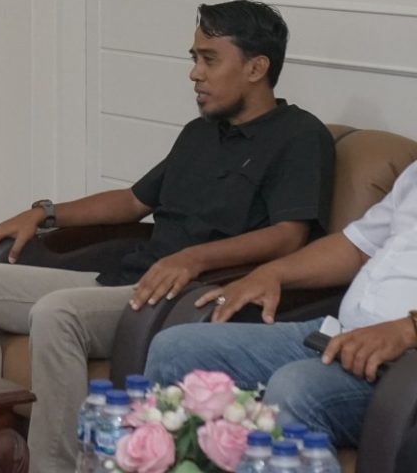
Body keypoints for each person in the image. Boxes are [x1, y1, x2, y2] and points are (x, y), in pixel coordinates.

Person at [0, 0, 335, 473]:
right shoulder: (200, 132)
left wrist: (195, 259)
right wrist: (44, 213)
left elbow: (289, 236)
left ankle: (60, 467)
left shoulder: (299, 137)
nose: (195, 73)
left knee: (57, 314)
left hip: (182, 295)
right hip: (128, 278)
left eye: (209, 59)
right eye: (194, 58)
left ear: (256, 67)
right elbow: (132, 201)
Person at [145, 145, 417, 453]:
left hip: (403, 364)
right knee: (175, 350)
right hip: (339, 335)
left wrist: (407, 329)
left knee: (296, 388)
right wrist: (271, 274)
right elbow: (356, 247)